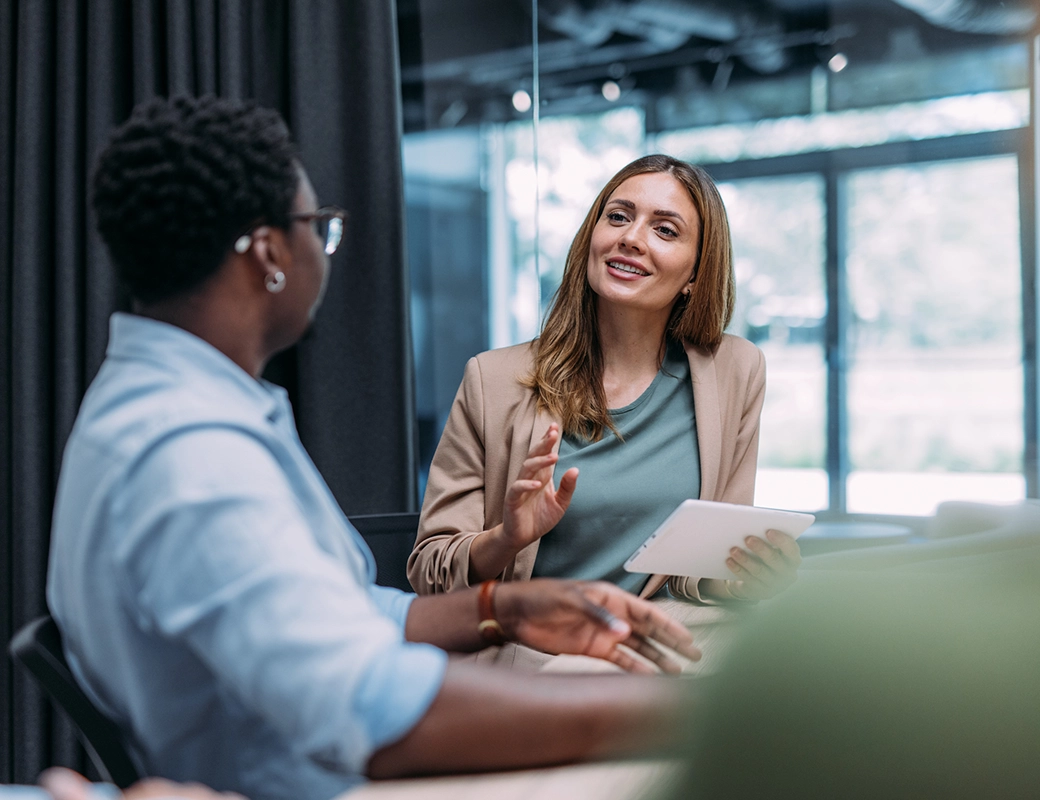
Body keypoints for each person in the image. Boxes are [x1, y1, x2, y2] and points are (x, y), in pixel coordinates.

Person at [46, 96, 700, 800]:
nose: (323, 253)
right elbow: (374, 710)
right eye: (316, 229)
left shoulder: (182, 408)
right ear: (269, 253)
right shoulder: (191, 454)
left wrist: (508, 610)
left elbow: (350, 619)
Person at [409, 155, 800, 603]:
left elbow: (701, 569)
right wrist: (507, 538)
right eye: (618, 217)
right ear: (592, 237)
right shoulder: (491, 380)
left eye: (665, 230)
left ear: (695, 273)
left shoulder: (734, 369)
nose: (631, 238)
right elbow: (429, 571)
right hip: (542, 656)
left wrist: (746, 571)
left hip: (663, 646)